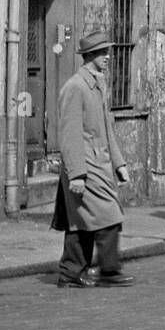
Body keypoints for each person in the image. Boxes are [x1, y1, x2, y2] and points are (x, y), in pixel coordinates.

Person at [52, 30, 134, 288]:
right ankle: (109, 270)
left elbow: (107, 128)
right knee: (108, 216)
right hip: (86, 164)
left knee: (83, 222)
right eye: (102, 52)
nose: (108, 56)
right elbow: (69, 134)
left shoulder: (97, 84)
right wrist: (76, 173)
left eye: (107, 51)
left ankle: (70, 272)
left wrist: (119, 163)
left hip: (100, 163)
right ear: (89, 55)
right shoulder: (76, 87)